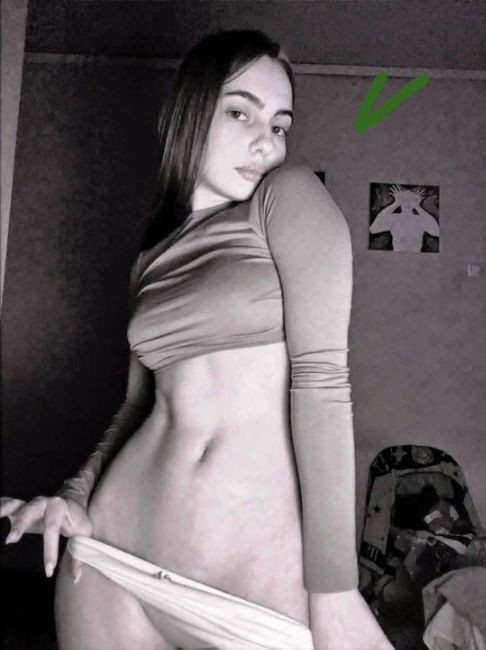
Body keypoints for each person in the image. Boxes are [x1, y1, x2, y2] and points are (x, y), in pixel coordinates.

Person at [1, 29, 393, 649]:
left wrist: (335, 588)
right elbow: (138, 407)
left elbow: (323, 382)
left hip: (255, 583)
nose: (266, 140)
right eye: (240, 113)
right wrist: (74, 496)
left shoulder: (289, 198)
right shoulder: (149, 258)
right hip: (113, 555)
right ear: (189, 114)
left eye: (280, 125)